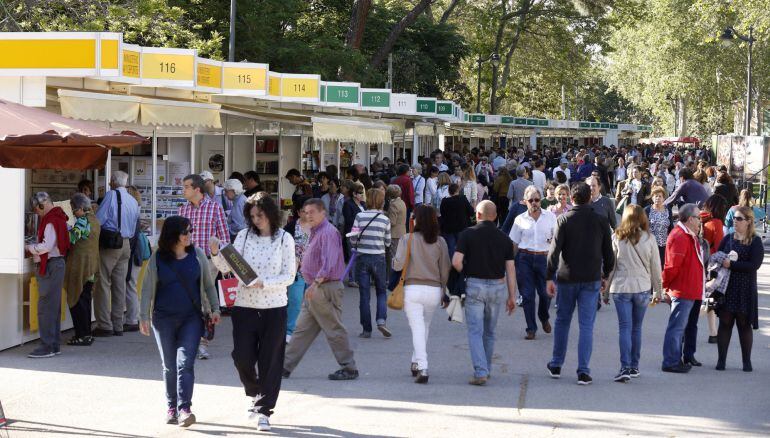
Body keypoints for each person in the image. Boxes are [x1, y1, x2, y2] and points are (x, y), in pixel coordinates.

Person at [210, 195, 296, 431]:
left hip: (274, 307)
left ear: (271, 213)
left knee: (270, 360)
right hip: (245, 306)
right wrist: (216, 253)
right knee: (242, 357)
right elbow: (227, 267)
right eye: (252, 216)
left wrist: (263, 283)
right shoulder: (244, 236)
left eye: (260, 215)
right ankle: (255, 391)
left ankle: (264, 410)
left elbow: (289, 275)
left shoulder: (284, 239)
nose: (256, 220)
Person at [139, 216, 221, 427]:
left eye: (190, 231)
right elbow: (147, 288)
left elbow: (209, 285)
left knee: (185, 364)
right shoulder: (158, 257)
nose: (189, 235)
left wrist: (214, 309)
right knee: (169, 366)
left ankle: (185, 408)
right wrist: (143, 317)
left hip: (191, 318)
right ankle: (171, 408)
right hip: (163, 319)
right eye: (186, 232)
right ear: (173, 235)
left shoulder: (197, 255)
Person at [545, 182, 614, 385]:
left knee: (562, 320)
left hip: (567, 276)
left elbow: (554, 251)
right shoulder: (600, 221)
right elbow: (608, 254)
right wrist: (605, 274)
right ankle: (583, 370)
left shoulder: (564, 219)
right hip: (591, 277)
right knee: (586, 326)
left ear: (572, 199)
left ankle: (557, 364)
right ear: (589, 198)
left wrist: (549, 276)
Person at [283, 199, 359, 381]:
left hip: (323, 288)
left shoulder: (328, 232)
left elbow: (329, 261)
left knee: (333, 329)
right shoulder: (316, 231)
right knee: (301, 331)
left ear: (323, 213)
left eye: (312, 212)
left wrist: (316, 284)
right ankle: (284, 367)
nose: (308, 215)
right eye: (306, 212)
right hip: (315, 288)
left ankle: (349, 367)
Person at [453, 200, 517, 385]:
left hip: (474, 285)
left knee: (475, 331)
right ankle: (486, 368)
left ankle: (480, 371)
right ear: (496, 216)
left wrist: (463, 272)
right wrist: (512, 296)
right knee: (489, 332)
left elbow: (457, 262)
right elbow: (511, 269)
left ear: (477, 215)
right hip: (497, 286)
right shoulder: (505, 238)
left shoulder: (468, 234)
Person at [603, 204, 662, 382]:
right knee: (637, 328)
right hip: (642, 287)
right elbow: (655, 267)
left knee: (624, 328)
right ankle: (635, 366)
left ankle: (625, 367)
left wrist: (605, 291)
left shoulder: (617, 238)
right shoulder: (649, 238)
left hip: (621, 287)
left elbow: (611, 267)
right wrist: (658, 290)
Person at [394, 205, 451, 384]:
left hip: (412, 289)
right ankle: (415, 361)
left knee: (418, 328)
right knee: (423, 327)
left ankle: (423, 366)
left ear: (416, 219)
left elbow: (397, 265)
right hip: (433, 290)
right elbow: (445, 268)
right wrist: (444, 291)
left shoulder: (407, 239)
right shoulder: (440, 242)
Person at [178, 173, 230, 359]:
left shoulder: (215, 209)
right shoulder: (183, 210)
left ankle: (201, 342)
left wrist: (219, 255)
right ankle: (190, 339)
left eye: (186, 187)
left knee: (203, 299)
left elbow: (225, 239)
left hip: (208, 262)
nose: (183, 190)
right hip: (186, 261)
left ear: (197, 189)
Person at [716, 206, 764, 372]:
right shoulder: (728, 238)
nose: (735, 222)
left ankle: (746, 362)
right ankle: (721, 361)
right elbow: (717, 255)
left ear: (748, 222)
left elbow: (754, 265)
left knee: (744, 325)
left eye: (739, 219)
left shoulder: (755, 241)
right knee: (725, 323)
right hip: (727, 288)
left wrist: (732, 264)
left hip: (745, 289)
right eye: (734, 219)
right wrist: (719, 261)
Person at [93, 171, 140, 337]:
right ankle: (118, 324)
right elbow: (135, 225)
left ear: (113, 182)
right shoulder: (133, 200)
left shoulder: (111, 195)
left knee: (103, 282)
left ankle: (105, 325)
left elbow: (99, 220)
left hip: (111, 243)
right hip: (126, 243)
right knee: (120, 285)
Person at [26, 192, 71, 358]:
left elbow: (46, 246)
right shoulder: (59, 217)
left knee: (45, 308)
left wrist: (29, 247)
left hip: (51, 265)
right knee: (53, 308)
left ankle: (47, 346)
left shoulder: (51, 221)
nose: (36, 212)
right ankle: (53, 345)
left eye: (36, 208)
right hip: (56, 264)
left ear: (42, 205)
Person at [660, 203, 704, 373]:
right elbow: (672, 267)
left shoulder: (687, 234)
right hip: (682, 289)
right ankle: (671, 361)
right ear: (690, 219)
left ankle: (676, 359)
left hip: (689, 288)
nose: (700, 221)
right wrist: (665, 287)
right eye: (698, 217)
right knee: (677, 327)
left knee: (681, 327)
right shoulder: (680, 236)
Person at [510, 186, 557, 340]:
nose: (535, 203)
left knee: (546, 294)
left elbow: (557, 240)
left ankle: (543, 316)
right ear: (525, 201)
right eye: (531, 200)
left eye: (537, 200)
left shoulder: (550, 217)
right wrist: (509, 264)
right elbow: (515, 244)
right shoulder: (520, 219)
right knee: (527, 295)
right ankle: (531, 328)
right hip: (525, 259)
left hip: (545, 259)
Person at [350, 188, 392, 338]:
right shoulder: (385, 219)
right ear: (382, 201)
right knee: (381, 292)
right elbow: (387, 242)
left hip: (362, 258)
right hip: (379, 259)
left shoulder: (359, 216)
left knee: (364, 294)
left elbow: (353, 238)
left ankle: (366, 329)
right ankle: (381, 320)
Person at [63, 193, 100, 346]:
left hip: (81, 268)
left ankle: (81, 335)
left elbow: (72, 238)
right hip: (91, 267)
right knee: (85, 300)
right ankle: (87, 334)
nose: (72, 213)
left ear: (79, 208)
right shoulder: (95, 220)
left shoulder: (83, 221)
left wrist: (65, 229)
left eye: (73, 210)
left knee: (77, 301)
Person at [283, 201, 312, 343]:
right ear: (299, 212)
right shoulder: (291, 227)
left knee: (311, 303)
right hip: (296, 271)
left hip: (314, 272)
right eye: (304, 211)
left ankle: (305, 331)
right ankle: (289, 330)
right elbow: (282, 245)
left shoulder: (318, 227)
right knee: (295, 300)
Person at [124, 186, 145, 333]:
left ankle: (132, 318)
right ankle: (133, 317)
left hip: (133, 253)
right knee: (131, 284)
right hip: (137, 252)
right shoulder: (136, 211)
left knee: (130, 284)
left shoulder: (131, 212)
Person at [439, 183, 474, 257]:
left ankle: (452, 264)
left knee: (451, 248)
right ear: (457, 190)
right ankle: (461, 263)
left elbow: (442, 214)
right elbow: (471, 211)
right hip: (461, 226)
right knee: (461, 247)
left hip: (448, 228)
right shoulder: (463, 199)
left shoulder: (444, 201)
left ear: (449, 191)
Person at [342, 182, 366, 287]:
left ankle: (359, 277)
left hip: (362, 234)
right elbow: (348, 219)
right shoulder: (348, 204)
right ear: (354, 194)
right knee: (353, 256)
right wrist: (361, 220)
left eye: (362, 193)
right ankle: (352, 279)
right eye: (360, 193)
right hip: (352, 233)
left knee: (360, 257)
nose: (362, 195)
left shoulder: (363, 204)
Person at [644, 187, 673, 267]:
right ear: (652, 197)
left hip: (664, 244)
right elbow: (643, 228)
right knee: (651, 266)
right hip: (651, 245)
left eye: (660, 196)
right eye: (655, 196)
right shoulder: (647, 210)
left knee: (662, 266)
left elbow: (671, 228)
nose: (658, 198)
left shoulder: (668, 210)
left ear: (664, 198)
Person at [385, 185, 407, 278]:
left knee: (392, 257)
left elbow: (392, 222)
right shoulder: (402, 202)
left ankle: (391, 278)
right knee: (399, 257)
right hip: (402, 232)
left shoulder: (393, 205)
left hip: (394, 233)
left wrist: (384, 216)